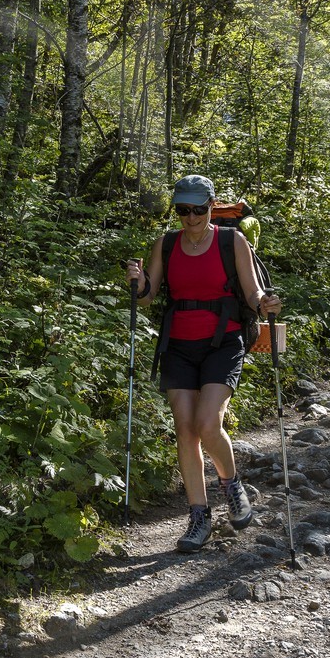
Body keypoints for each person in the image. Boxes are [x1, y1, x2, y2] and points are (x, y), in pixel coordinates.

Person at [125, 175, 282, 554]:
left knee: (208, 423)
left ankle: (231, 484)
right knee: (185, 430)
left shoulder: (233, 241)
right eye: (183, 209)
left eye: (198, 208)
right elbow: (148, 298)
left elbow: (251, 290)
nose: (191, 216)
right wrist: (139, 282)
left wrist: (265, 302)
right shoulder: (165, 243)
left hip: (223, 342)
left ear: (211, 206)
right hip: (178, 344)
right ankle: (199, 516)